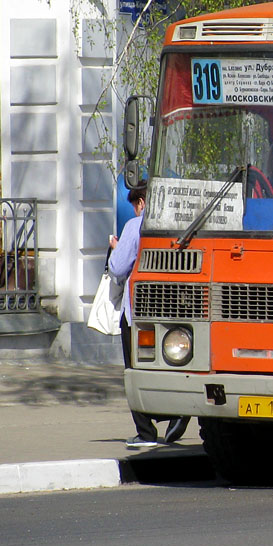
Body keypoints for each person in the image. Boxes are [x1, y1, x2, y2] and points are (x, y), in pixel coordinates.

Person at [109, 184, 190, 449]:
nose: (135, 210)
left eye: (135, 205)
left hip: (140, 312)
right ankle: (180, 411)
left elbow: (119, 268)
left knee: (135, 370)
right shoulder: (180, 221)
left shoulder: (135, 225)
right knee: (173, 366)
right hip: (175, 309)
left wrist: (115, 249)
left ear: (142, 202)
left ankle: (145, 431)